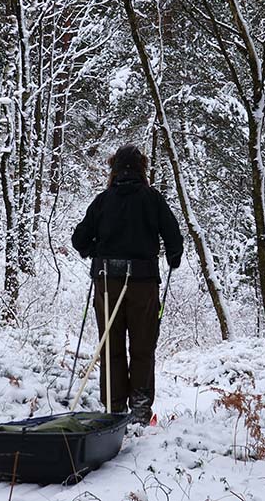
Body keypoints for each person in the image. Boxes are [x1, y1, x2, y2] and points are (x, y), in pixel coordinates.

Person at [71, 144, 184, 425]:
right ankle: (141, 409)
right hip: (143, 285)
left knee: (110, 344)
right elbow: (174, 239)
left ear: (114, 169)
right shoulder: (153, 199)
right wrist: (173, 257)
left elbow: (78, 240)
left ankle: (114, 407)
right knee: (143, 345)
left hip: (107, 283)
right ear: (142, 169)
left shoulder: (102, 201)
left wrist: (94, 249)